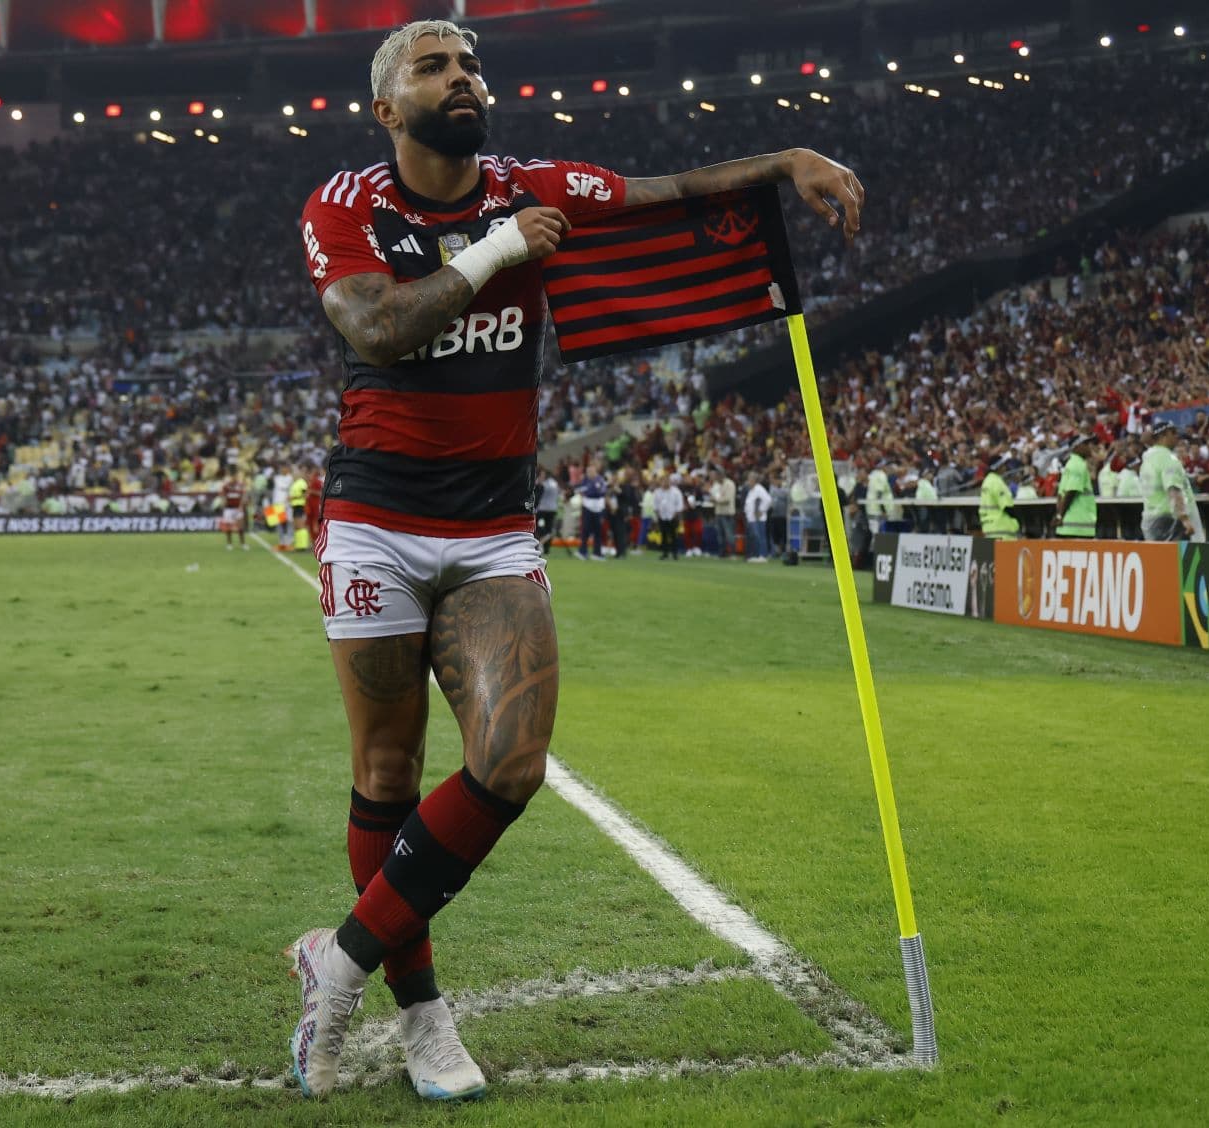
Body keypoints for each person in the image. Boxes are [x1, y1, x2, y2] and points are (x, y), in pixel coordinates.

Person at [287, 17, 862, 1101]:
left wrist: (784, 161)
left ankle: (339, 959)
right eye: (433, 65)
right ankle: (423, 1024)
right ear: (384, 107)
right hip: (374, 518)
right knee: (385, 776)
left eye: (469, 62)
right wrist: (501, 249)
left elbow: (670, 191)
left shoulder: (531, 179)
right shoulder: (345, 203)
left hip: (494, 524)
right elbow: (374, 327)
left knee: (509, 763)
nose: (462, 77)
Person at [1139, 420, 1198, 542]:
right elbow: (1173, 489)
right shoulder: (1168, 458)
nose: (1177, 436)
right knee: (1177, 560)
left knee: (1158, 559)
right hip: (1170, 519)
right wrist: (1184, 518)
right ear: (1162, 436)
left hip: (1151, 518)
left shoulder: (1148, 459)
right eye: (1173, 432)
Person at [1054, 435, 1100, 539]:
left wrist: (1059, 515)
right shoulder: (1078, 465)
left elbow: (1061, 495)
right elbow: (1071, 491)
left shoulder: (1070, 464)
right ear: (1076, 447)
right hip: (1079, 526)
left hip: (1068, 525)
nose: (1090, 447)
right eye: (1086, 444)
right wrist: (1060, 515)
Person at [978, 457, 1020, 541]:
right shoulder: (997, 482)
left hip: (989, 528)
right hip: (1002, 528)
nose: (1005, 467)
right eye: (1003, 465)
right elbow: (1007, 506)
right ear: (998, 467)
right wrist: (1018, 519)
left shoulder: (987, 481)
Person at [576, 460, 608, 560]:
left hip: (598, 509)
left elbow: (601, 492)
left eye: (591, 471)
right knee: (585, 530)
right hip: (588, 507)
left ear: (595, 471)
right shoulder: (585, 480)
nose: (589, 473)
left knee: (598, 531)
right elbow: (579, 489)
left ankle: (596, 553)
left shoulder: (600, 480)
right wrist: (589, 491)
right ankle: (582, 552)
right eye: (588, 472)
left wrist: (589, 492)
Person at [653, 473, 686, 559]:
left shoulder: (676, 491)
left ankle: (675, 553)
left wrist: (676, 514)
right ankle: (665, 553)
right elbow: (655, 505)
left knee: (674, 535)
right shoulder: (657, 492)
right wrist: (658, 515)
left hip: (673, 516)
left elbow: (679, 504)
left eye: (667, 481)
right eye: (663, 481)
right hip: (662, 516)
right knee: (663, 535)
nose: (665, 483)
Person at [743, 474, 771, 562]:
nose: (748, 482)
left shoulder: (759, 489)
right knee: (754, 537)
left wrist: (761, 510)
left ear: (754, 481)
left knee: (760, 536)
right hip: (751, 518)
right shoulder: (751, 490)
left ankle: (762, 555)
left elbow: (768, 499)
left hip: (758, 518)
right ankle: (755, 554)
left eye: (750, 480)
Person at [220, 470, 249, 550]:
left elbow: (243, 496)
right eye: (233, 477)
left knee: (240, 526)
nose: (234, 478)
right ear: (230, 477)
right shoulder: (226, 486)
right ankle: (229, 544)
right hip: (228, 509)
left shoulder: (240, 485)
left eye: (236, 477)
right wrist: (223, 503)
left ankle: (243, 544)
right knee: (228, 527)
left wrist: (241, 506)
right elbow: (223, 496)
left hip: (238, 508)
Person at [534, 467, 559, 555]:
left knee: (538, 528)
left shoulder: (543, 484)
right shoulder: (555, 483)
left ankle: (539, 544)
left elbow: (537, 495)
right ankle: (546, 548)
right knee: (548, 529)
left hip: (542, 509)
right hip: (552, 509)